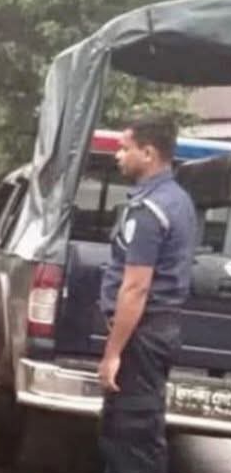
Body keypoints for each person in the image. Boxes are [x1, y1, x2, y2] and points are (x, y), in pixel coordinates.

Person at [99, 115, 196, 473]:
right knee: (125, 434)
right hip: (156, 331)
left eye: (125, 148)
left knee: (133, 437)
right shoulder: (178, 200)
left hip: (142, 335)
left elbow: (136, 287)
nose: (118, 156)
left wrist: (113, 353)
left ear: (148, 153)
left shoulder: (150, 210)